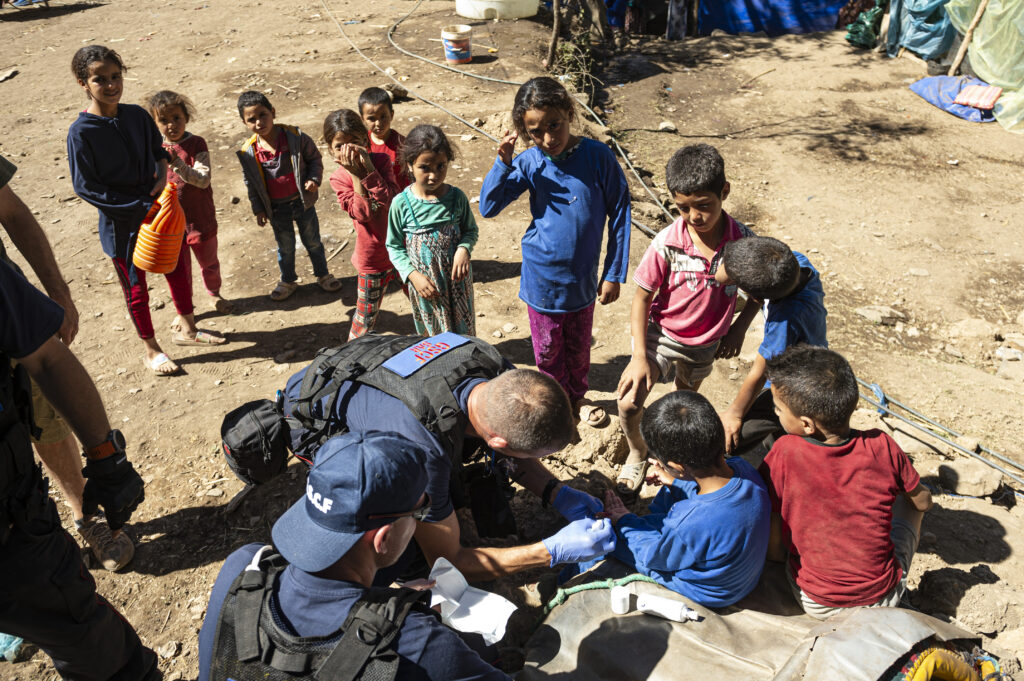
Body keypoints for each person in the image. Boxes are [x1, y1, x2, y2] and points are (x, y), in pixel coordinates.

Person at [278, 334, 615, 583]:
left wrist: (555, 491)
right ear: (497, 441)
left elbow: (513, 442)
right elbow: (448, 560)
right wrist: (550, 550)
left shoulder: (499, 372)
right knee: (402, 555)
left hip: (369, 378)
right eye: (526, 454)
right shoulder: (421, 451)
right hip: (314, 412)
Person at [198, 431, 521, 681]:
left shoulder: (245, 566)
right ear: (384, 537)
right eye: (420, 511)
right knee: (479, 644)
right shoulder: (417, 641)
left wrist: (386, 602)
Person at [0, 258, 155, 680]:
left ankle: (88, 520)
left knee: (96, 649)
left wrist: (107, 459)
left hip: (14, 527)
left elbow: (46, 359)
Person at [1, 152, 134, 570]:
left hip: (11, 317)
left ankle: (85, 513)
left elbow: (11, 210)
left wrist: (57, 291)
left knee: (43, 414)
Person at [479, 76, 631, 429]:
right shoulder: (532, 162)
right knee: (547, 352)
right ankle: (558, 403)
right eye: (536, 131)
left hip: (582, 280)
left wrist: (613, 272)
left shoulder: (597, 157)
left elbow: (620, 210)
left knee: (579, 351)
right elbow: (488, 206)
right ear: (525, 132)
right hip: (541, 279)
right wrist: (503, 164)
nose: (548, 138)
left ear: (569, 113)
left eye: (555, 124)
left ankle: (578, 397)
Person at [614, 143, 756, 497]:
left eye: (704, 205)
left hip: (705, 345)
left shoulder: (743, 243)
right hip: (661, 335)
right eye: (682, 208)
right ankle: (637, 451)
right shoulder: (667, 242)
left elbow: (759, 292)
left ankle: (677, 463)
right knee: (629, 401)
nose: (693, 216)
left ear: (724, 192)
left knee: (684, 405)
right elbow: (642, 298)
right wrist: (638, 356)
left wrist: (738, 327)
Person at [759, 345, 933, 620]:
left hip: (818, 602)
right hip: (882, 599)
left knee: (776, 509)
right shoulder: (882, 444)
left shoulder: (785, 451)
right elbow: (924, 502)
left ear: (807, 424)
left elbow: (771, 518)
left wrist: (776, 563)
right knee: (912, 504)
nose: (776, 413)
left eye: (778, 409)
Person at [66, 44, 191, 376]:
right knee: (136, 287)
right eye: (100, 79)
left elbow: (157, 150)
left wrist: (163, 171)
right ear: (83, 83)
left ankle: (189, 324)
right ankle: (151, 349)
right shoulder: (82, 133)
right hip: (122, 224)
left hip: (160, 212)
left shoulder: (136, 115)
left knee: (177, 266)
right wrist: (136, 206)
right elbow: (86, 186)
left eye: (115, 76)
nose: (111, 85)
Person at [601, 391, 770, 607]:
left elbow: (656, 558)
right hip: (741, 577)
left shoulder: (689, 523)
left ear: (678, 466)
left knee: (615, 542)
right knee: (669, 495)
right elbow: (717, 500)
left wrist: (625, 522)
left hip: (712, 592)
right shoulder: (744, 468)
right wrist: (675, 481)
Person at [715, 236, 827, 462]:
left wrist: (734, 414)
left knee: (730, 438)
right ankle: (782, 448)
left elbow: (760, 372)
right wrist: (740, 327)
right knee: (781, 434)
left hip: (793, 382)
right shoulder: (795, 264)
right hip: (808, 360)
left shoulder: (784, 321)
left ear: (755, 295)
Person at [235, 90, 341, 301]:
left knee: (313, 242)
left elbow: (314, 159)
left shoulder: (295, 137)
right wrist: (258, 208)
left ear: (273, 112)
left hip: (302, 201)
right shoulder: (249, 151)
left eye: (262, 115)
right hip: (276, 208)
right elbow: (251, 184)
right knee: (285, 246)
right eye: (251, 119)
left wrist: (314, 179)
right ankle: (288, 280)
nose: (258, 122)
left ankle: (322, 275)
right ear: (244, 123)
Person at [147, 90, 233, 328]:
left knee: (209, 263)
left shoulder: (196, 144)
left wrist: (177, 163)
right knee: (178, 272)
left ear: (186, 117)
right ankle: (184, 310)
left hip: (200, 218)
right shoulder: (154, 150)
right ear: (155, 123)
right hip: (170, 225)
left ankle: (214, 294)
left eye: (176, 118)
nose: (171, 125)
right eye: (163, 120)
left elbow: (203, 180)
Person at [386, 125, 477, 336]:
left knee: (464, 337)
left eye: (440, 166)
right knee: (434, 338)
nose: (434, 175)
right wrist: (412, 275)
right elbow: (393, 246)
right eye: (425, 167)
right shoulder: (402, 204)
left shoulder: (456, 198)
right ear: (410, 165)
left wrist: (464, 249)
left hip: (458, 287)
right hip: (427, 290)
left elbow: (470, 231)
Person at [323, 109, 401, 340]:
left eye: (354, 143)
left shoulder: (381, 161)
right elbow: (363, 213)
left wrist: (369, 169)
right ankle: (349, 362)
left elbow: (393, 200)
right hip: (372, 258)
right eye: (339, 146)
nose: (348, 151)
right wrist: (357, 175)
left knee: (425, 304)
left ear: (365, 141)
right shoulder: (339, 178)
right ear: (330, 149)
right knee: (364, 319)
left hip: (401, 251)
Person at [359, 86, 410, 190]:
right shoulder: (361, 144)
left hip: (399, 198)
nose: (378, 123)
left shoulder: (403, 144)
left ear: (391, 115)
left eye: (383, 117)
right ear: (363, 119)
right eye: (371, 119)